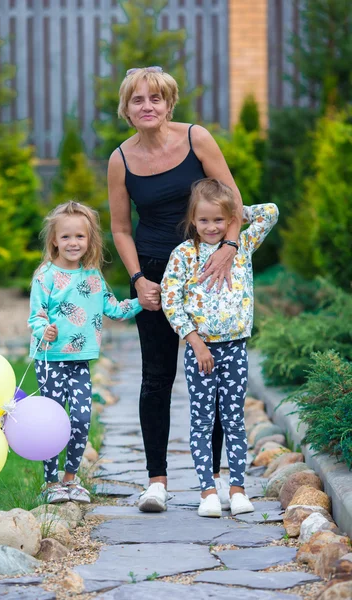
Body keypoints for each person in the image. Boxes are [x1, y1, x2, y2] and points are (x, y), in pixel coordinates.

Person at [108, 66, 243, 512]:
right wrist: (137, 280)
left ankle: (218, 482)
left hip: (209, 271)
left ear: (169, 103)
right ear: (126, 109)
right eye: (137, 100)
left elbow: (234, 203)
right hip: (153, 271)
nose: (147, 107)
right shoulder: (120, 160)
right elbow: (121, 229)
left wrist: (227, 248)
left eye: (155, 99)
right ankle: (157, 483)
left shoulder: (196, 139)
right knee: (156, 377)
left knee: (218, 376)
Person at [161, 178, 279, 517]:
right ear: (192, 221)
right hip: (202, 351)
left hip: (235, 348)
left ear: (230, 219)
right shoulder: (184, 254)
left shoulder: (241, 244)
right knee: (202, 420)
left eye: (219, 219)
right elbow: (171, 300)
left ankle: (238, 489)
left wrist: (235, 217)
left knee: (233, 419)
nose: (211, 227)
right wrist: (195, 342)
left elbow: (270, 213)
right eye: (204, 220)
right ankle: (208, 491)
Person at [28, 201, 143, 504]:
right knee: (53, 421)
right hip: (50, 359)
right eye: (65, 237)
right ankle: (51, 482)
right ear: (54, 239)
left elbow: (115, 309)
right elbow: (35, 316)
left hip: (79, 360)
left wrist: (143, 301)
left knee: (80, 418)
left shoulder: (93, 277)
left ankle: (70, 478)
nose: (73, 242)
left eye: (79, 236)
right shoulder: (45, 276)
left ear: (89, 239)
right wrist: (43, 330)